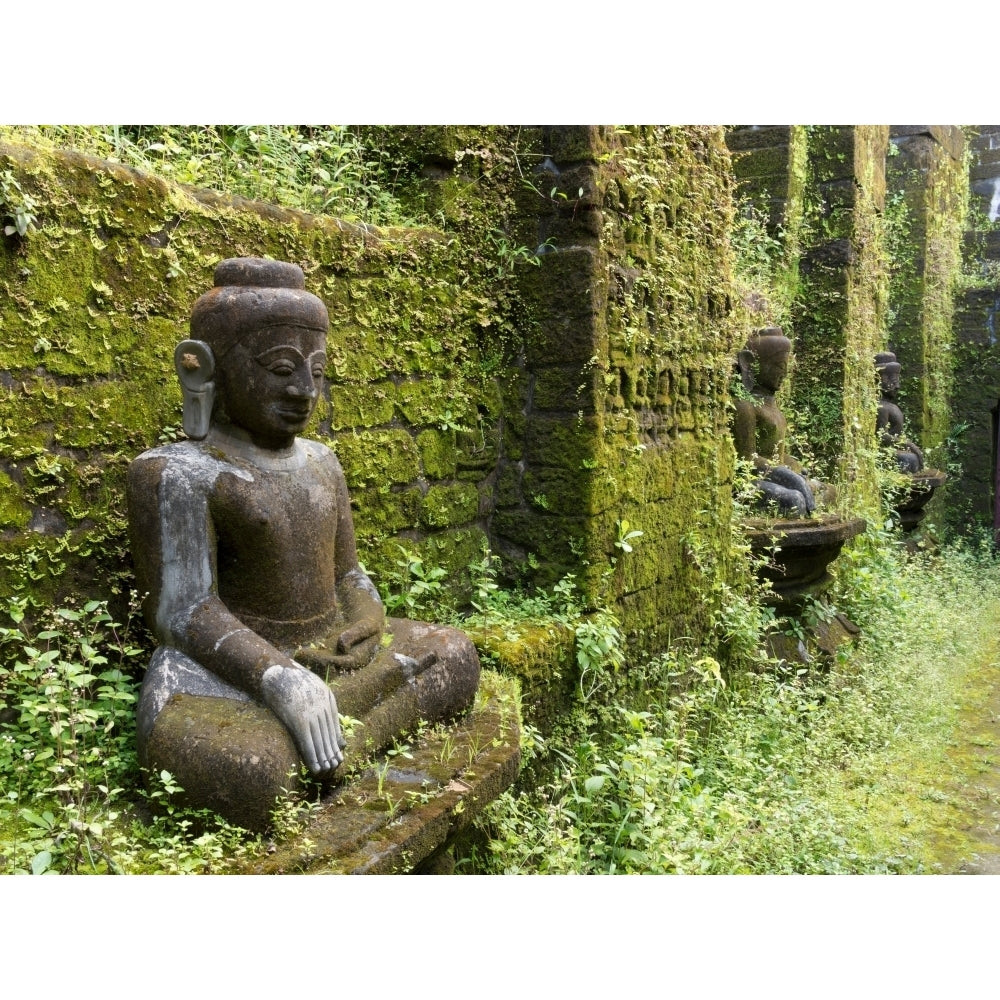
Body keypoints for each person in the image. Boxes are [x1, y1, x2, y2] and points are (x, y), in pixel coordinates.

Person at [127, 258, 480, 829]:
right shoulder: (176, 472)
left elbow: (348, 573)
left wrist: (366, 617)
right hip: (221, 676)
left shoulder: (322, 463)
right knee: (259, 773)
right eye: (281, 367)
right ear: (205, 368)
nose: (303, 390)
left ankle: (334, 744)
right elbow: (183, 610)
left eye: (316, 371)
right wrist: (280, 680)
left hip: (328, 652)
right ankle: (338, 733)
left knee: (456, 654)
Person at [733, 327, 824, 517]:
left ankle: (808, 504)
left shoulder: (773, 406)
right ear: (750, 365)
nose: (784, 374)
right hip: (751, 481)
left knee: (828, 490)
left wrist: (794, 467)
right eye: (779, 367)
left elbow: (781, 455)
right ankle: (808, 509)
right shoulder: (745, 406)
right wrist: (791, 477)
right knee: (794, 500)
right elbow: (747, 460)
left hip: (777, 475)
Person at [875, 351, 924, 473]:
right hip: (884, 450)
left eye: (897, 379)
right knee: (910, 459)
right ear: (878, 379)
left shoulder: (891, 406)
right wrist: (908, 444)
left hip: (895, 448)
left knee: (912, 458)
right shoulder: (881, 407)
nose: (897, 386)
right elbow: (882, 436)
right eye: (891, 379)